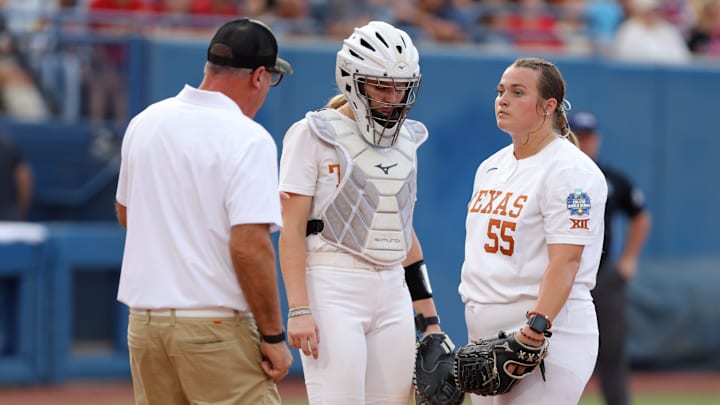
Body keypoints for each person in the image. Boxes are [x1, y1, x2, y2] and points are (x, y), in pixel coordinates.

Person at [114, 18, 293, 405]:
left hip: (145, 327)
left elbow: (128, 215)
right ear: (259, 76)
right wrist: (274, 336)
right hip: (214, 325)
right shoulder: (249, 138)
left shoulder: (144, 122)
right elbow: (250, 247)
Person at [278, 20, 452, 405]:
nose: (392, 97)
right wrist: (299, 308)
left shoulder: (408, 139)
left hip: (392, 289)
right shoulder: (313, 133)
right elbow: (291, 230)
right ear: (351, 80)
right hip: (332, 283)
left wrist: (431, 320)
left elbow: (402, 231)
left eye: (400, 87)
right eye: (381, 86)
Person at [458, 57, 608, 404]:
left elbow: (566, 262)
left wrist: (537, 327)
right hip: (484, 333)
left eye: (517, 92)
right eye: (500, 91)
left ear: (548, 106)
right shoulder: (491, 166)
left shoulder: (571, 172)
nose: (502, 99)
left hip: (546, 331)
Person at [570, 111, 652, 405]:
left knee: (612, 349)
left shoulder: (611, 180)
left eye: (589, 137)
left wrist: (629, 259)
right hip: (563, 275)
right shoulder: (558, 176)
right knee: (558, 350)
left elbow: (640, 216)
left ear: (597, 139)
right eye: (578, 136)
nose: (584, 143)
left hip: (603, 277)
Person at [0, 132, 32, 221]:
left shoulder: (6, 145)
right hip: (10, 219)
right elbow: (24, 178)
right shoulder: (6, 143)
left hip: (9, 220)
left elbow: (23, 178)